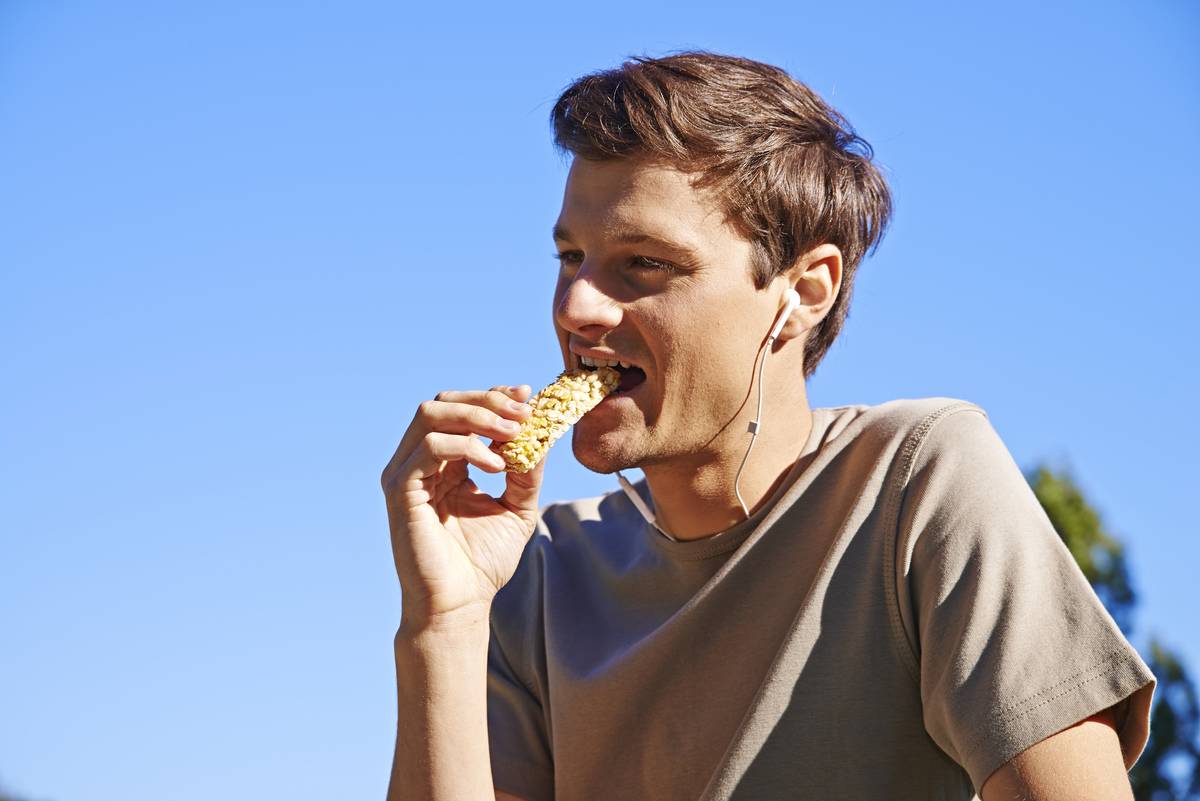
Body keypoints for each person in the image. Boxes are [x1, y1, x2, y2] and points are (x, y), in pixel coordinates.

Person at [380, 51, 1156, 801]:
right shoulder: (539, 573)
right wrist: (442, 622)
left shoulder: (915, 481)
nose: (575, 306)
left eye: (645, 263)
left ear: (804, 292)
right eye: (571, 256)